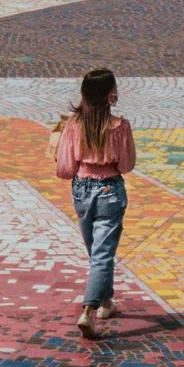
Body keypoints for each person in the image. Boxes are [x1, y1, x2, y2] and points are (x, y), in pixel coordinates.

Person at [51, 67, 135, 339]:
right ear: (110, 94)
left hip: (82, 191)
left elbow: (65, 169)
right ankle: (88, 310)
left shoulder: (73, 126)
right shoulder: (120, 126)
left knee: (97, 251)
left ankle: (106, 302)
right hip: (110, 189)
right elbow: (127, 164)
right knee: (102, 253)